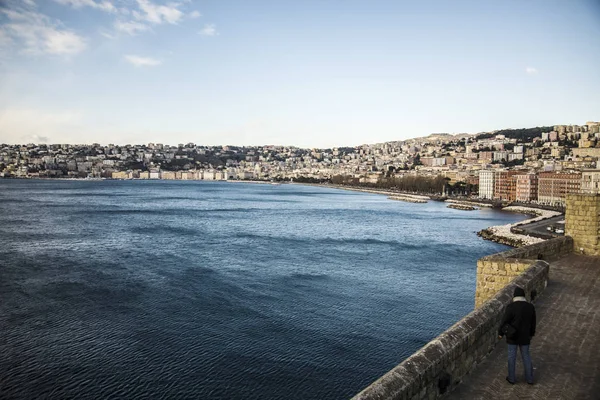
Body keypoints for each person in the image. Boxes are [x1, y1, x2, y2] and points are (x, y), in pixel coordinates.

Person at [498, 286, 537, 385]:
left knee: (512, 357)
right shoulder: (530, 307)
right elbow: (533, 323)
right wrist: (531, 334)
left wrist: (500, 334)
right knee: (526, 356)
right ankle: (529, 379)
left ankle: (511, 378)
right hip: (525, 336)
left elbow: (504, 322)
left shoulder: (511, 307)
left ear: (514, 296)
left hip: (512, 336)